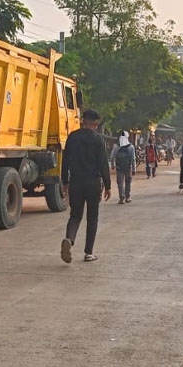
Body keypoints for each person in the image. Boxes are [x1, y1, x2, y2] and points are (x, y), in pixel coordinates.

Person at [60, 109, 111, 264]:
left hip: (76, 182)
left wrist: (65, 182)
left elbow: (65, 162)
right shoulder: (98, 139)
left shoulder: (72, 137)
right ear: (95, 123)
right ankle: (88, 253)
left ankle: (69, 239)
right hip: (93, 182)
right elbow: (103, 164)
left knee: (75, 215)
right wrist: (108, 186)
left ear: (83, 121)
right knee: (92, 217)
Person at [110, 130, 135, 204]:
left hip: (119, 167)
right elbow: (133, 159)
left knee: (120, 183)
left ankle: (121, 198)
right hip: (128, 167)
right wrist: (134, 169)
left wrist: (112, 166)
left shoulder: (116, 146)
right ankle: (128, 197)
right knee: (128, 182)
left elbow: (112, 157)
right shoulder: (131, 147)